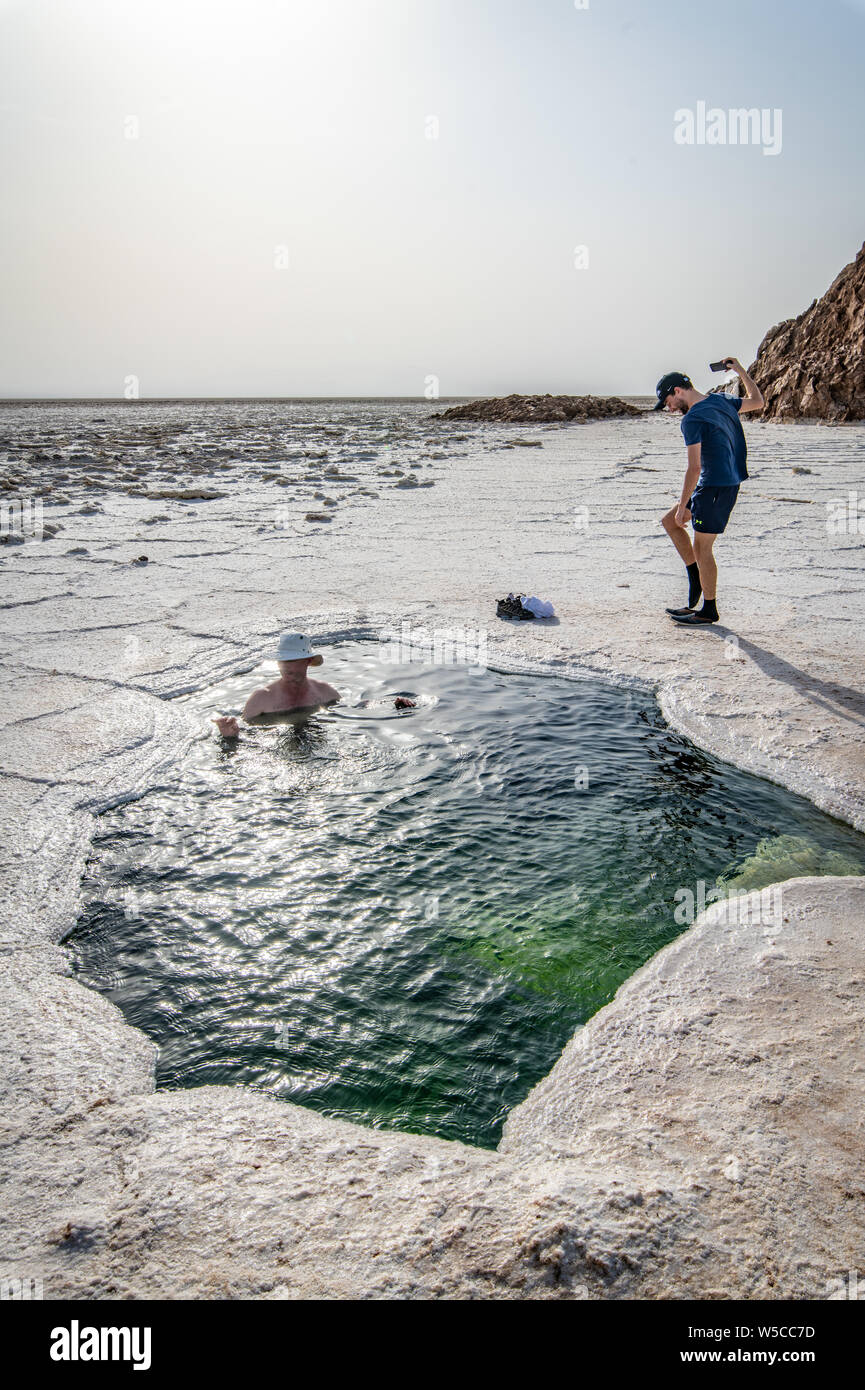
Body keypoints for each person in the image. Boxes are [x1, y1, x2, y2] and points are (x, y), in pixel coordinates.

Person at [656, 359, 763, 626]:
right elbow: (757, 401)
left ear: (678, 391)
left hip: (716, 485)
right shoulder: (722, 401)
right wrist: (739, 370)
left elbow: (694, 467)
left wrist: (683, 505)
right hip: (717, 483)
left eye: (668, 401)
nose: (669, 408)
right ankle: (695, 580)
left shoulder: (692, 419)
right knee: (670, 522)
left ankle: (709, 610)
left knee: (702, 547)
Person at [212, 632, 339, 737]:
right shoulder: (261, 698)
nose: (285, 666)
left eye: (291, 660)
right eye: (282, 660)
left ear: (308, 661)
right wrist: (230, 735)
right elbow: (246, 734)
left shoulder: (326, 692)